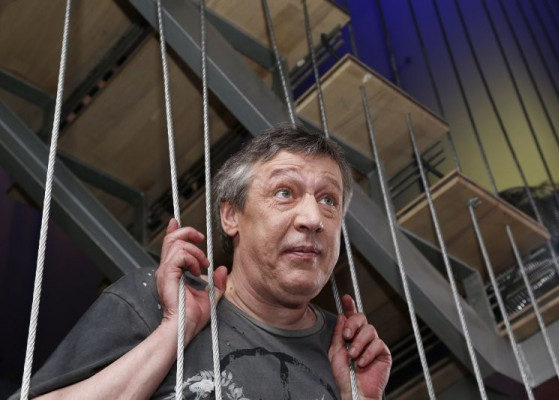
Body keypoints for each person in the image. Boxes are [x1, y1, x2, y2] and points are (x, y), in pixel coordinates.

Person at [16, 125, 391, 399]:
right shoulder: (156, 299)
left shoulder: (348, 355)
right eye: (284, 192)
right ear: (231, 216)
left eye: (328, 200)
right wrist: (173, 331)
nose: (312, 218)